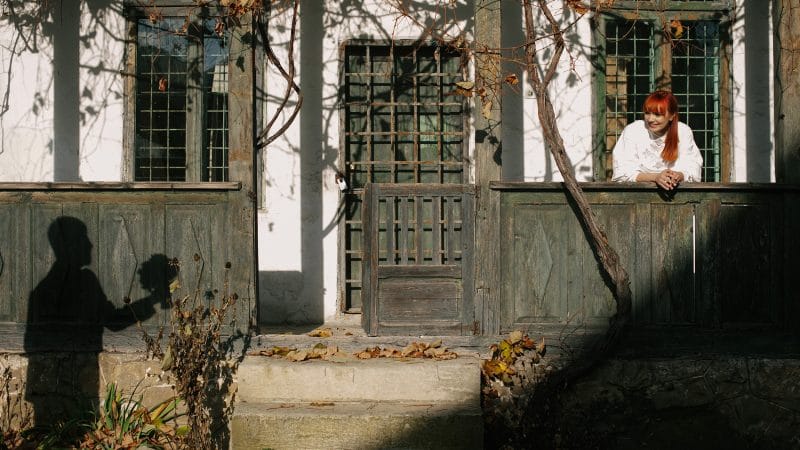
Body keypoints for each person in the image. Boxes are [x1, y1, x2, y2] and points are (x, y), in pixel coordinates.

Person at [612, 90, 703, 190]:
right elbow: (623, 171)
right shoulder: (633, 130)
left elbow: (692, 167)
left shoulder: (683, 131)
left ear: (672, 115)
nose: (650, 119)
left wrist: (678, 176)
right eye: (647, 113)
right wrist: (655, 177)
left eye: (657, 114)